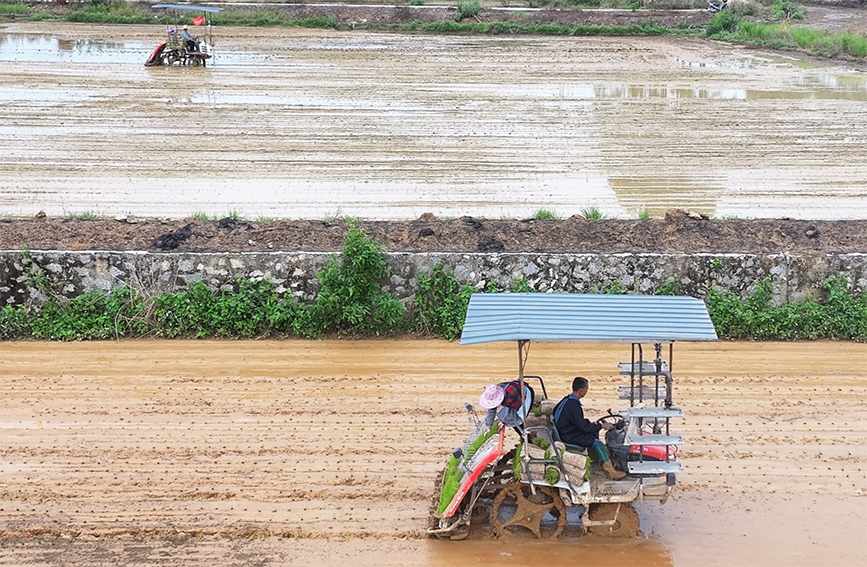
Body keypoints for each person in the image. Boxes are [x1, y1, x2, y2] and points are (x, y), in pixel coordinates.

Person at [553, 376, 626, 480]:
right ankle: (611, 472)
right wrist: (601, 425)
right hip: (569, 436)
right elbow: (584, 428)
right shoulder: (574, 406)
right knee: (597, 443)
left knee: (594, 433)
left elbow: (577, 422)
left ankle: (595, 459)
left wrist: (593, 424)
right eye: (586, 389)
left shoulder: (566, 400)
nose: (587, 391)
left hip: (566, 431)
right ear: (581, 391)